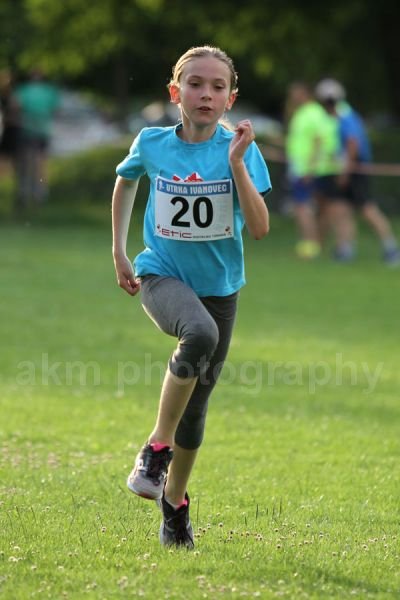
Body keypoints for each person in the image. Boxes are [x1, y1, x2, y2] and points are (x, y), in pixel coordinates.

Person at [112, 46, 271, 549]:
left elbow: (261, 228)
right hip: (160, 275)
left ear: (231, 99)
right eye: (196, 84)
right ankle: (156, 449)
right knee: (198, 332)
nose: (206, 94)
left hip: (220, 289)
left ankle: (174, 504)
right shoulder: (152, 142)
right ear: (175, 92)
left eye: (217, 87)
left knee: (197, 409)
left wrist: (236, 163)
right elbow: (125, 181)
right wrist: (119, 250)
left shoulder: (240, 150)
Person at [315, 78, 400, 265]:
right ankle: (345, 248)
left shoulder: (346, 116)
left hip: (354, 168)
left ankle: (391, 248)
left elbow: (353, 144)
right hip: (347, 167)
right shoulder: (340, 116)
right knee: (340, 208)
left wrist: (345, 172)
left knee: (366, 208)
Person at [285, 82, 334, 259]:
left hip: (307, 169)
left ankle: (310, 245)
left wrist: (310, 168)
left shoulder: (312, 112)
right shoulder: (304, 113)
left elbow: (319, 140)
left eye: (296, 93)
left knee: (302, 207)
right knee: (318, 207)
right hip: (305, 168)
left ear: (305, 93)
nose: (293, 97)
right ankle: (316, 244)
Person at [15, 69, 60, 207]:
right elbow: (55, 109)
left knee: (31, 163)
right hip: (36, 130)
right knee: (37, 163)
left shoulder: (24, 90)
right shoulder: (47, 91)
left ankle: (31, 192)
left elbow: (16, 107)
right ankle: (36, 193)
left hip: (31, 130)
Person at [0, 69, 21, 197]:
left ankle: (9, 181)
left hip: (12, 129)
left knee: (12, 156)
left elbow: (15, 111)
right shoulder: (5, 95)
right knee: (4, 156)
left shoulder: (14, 95)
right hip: (7, 128)